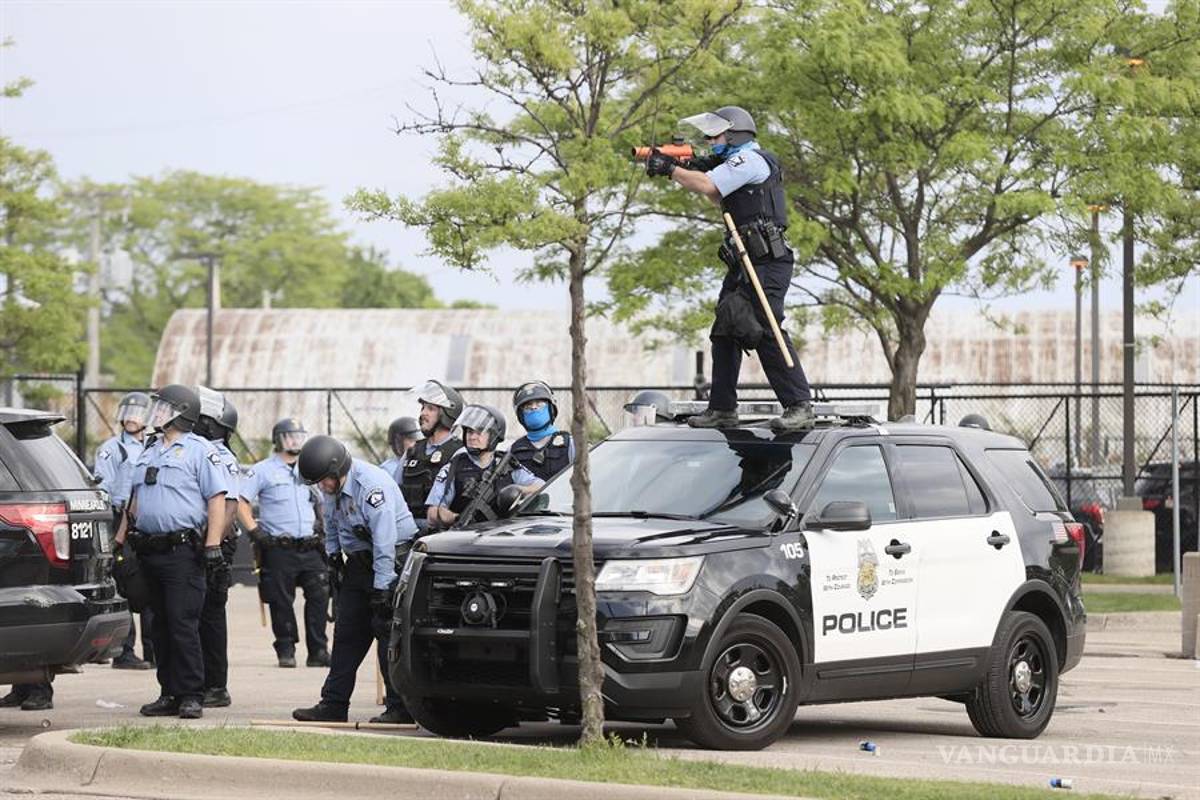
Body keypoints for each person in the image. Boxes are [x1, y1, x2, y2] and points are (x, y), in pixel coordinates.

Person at [645, 105, 814, 432]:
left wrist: (671, 169)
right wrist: (684, 165)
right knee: (726, 327)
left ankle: (799, 404)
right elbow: (713, 191)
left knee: (765, 326)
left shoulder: (749, 160)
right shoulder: (733, 163)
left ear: (735, 133)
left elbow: (709, 187)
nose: (711, 140)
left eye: (717, 134)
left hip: (767, 261)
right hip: (744, 260)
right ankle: (722, 408)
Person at [115, 384, 229, 720]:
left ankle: (192, 693)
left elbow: (217, 498)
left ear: (181, 412)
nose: (157, 412)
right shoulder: (148, 450)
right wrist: (118, 543)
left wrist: (212, 545)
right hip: (149, 550)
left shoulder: (199, 450)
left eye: (164, 407)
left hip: (183, 552)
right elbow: (133, 503)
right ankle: (169, 692)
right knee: (159, 625)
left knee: (183, 623)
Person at [292, 435, 417, 725]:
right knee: (347, 634)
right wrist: (333, 557)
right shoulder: (331, 484)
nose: (322, 487)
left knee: (387, 634)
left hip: (390, 562)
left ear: (337, 471)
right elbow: (332, 521)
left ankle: (400, 707)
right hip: (359, 564)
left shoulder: (372, 486)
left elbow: (384, 542)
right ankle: (333, 703)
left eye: (324, 481)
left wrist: (383, 588)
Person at [239, 418, 330, 669]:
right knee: (280, 601)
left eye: (299, 435)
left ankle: (318, 650)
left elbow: (325, 499)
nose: (295, 440)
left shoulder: (309, 468)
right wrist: (255, 532)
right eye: (290, 436)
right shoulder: (263, 470)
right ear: (278, 439)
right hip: (279, 547)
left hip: (311, 546)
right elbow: (241, 501)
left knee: (320, 597)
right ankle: (286, 648)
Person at [192, 387, 244, 708]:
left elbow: (230, 506)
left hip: (214, 545)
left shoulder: (220, 456)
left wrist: (213, 546)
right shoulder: (193, 449)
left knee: (210, 616)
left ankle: (215, 685)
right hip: (196, 542)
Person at [94, 391, 154, 670]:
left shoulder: (154, 447)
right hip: (121, 519)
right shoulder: (112, 448)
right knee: (127, 587)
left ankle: (155, 650)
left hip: (149, 521)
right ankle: (124, 651)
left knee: (153, 585)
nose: (132, 418)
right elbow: (103, 489)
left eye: (138, 412)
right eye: (128, 411)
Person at [426, 404, 539, 530]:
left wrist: (519, 490)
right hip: (464, 536)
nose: (472, 437)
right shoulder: (454, 467)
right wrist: (455, 518)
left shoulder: (507, 464)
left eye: (479, 432)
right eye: (469, 431)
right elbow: (432, 513)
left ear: (494, 435)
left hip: (503, 535)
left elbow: (541, 487)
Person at [399, 380, 465, 533]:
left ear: (447, 414)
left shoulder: (460, 452)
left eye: (431, 408)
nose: (423, 413)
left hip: (443, 534)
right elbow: (394, 490)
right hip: (408, 530)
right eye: (423, 407)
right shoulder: (413, 450)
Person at [509, 381, 575, 483]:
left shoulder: (570, 444)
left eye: (540, 403)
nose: (534, 407)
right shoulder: (513, 451)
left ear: (551, 409)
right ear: (521, 415)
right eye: (527, 406)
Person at [380, 416, 421, 486]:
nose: (416, 443)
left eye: (419, 439)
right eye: (411, 440)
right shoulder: (387, 469)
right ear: (398, 442)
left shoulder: (422, 462)